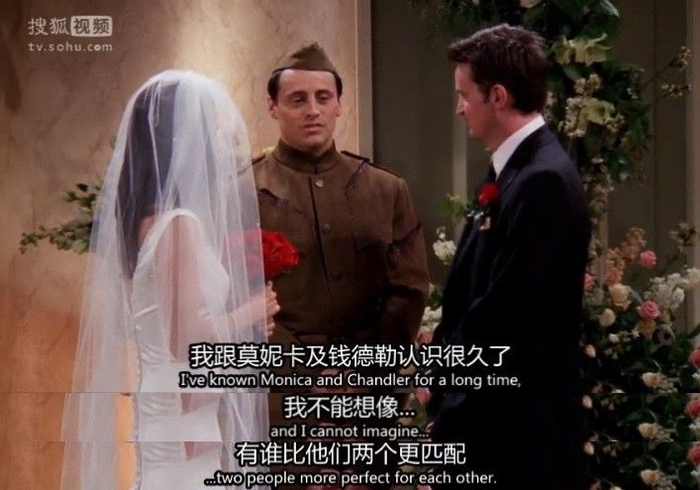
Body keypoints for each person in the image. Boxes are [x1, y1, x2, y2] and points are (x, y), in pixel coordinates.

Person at [61, 70, 279, 489]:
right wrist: (249, 314)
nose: (220, 142)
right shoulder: (178, 226)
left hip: (173, 403)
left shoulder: (147, 223)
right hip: (182, 408)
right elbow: (186, 339)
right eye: (210, 129)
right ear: (182, 140)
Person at [253, 43, 430, 487]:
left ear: (339, 105)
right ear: (273, 107)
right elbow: (234, 296)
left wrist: (364, 368)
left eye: (323, 97)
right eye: (297, 99)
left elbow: (410, 290)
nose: (312, 110)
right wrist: (306, 370)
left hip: (369, 394)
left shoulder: (386, 189)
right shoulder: (244, 190)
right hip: (282, 395)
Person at [428, 25, 591, 489]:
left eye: (464, 95)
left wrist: (450, 409)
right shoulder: (517, 168)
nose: (460, 108)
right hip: (496, 419)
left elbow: (506, 316)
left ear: (497, 96)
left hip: (515, 431)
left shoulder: (543, 179)